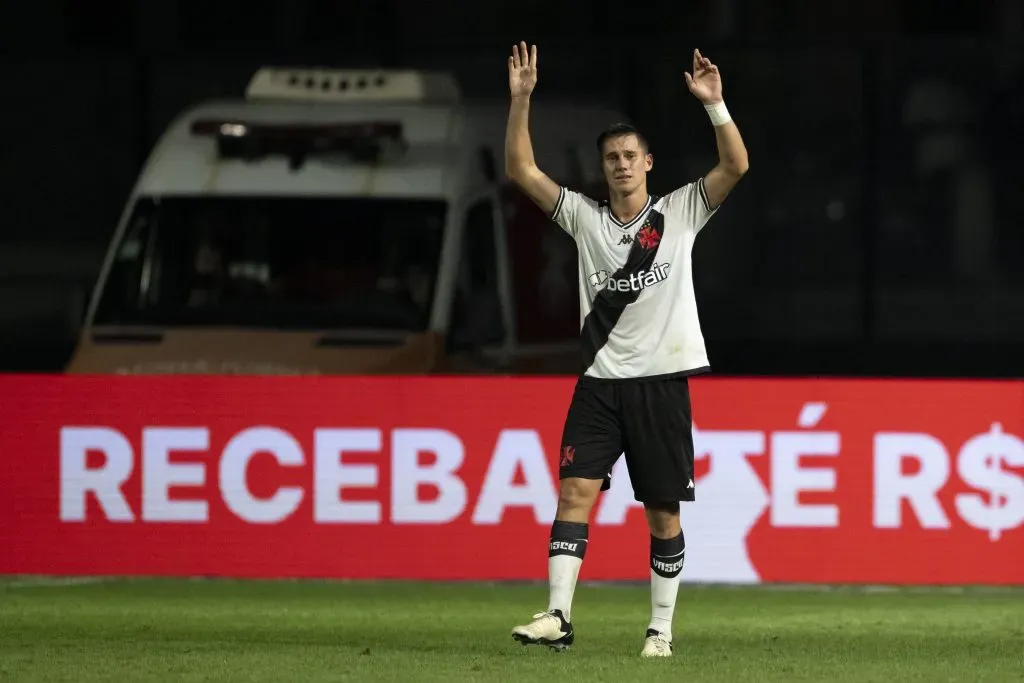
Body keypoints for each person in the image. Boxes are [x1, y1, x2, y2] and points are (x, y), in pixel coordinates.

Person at [504, 41, 749, 658]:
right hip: (598, 383)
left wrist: (715, 105)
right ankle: (558, 616)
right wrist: (522, 99)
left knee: (662, 515)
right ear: (603, 167)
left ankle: (660, 630)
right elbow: (521, 170)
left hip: (661, 383)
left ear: (648, 163)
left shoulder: (680, 212)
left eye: (629, 156)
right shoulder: (584, 218)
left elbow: (736, 165)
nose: (620, 165)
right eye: (611, 158)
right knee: (574, 493)